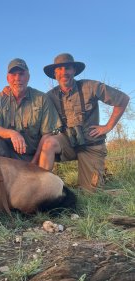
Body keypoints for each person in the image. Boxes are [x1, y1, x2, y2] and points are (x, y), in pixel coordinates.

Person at [35, 53, 130, 191]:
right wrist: (10, 92)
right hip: (68, 143)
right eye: (59, 69)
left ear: (74, 70)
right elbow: (33, 102)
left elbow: (123, 99)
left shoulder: (91, 86)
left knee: (92, 193)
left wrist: (108, 127)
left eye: (67, 68)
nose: (64, 73)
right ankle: (42, 189)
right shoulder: (50, 96)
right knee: (48, 142)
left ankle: (110, 188)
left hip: (91, 145)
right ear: (55, 74)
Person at [0, 58, 61, 162]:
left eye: (21, 74)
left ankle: (37, 173)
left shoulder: (42, 98)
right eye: (13, 75)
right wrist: (12, 133)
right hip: (6, 156)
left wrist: (34, 163)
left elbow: (46, 135)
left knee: (49, 143)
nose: (17, 78)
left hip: (33, 157)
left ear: (28, 77)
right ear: (8, 78)